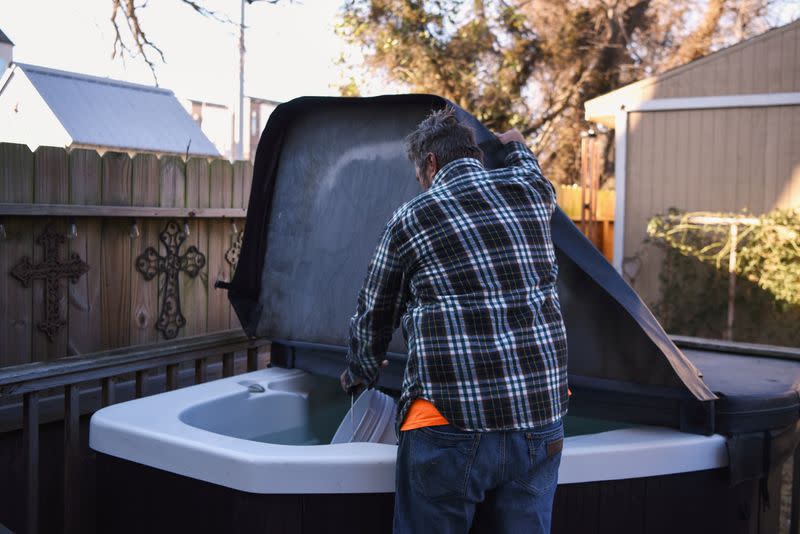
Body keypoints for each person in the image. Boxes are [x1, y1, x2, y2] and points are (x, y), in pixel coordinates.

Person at [339, 107, 568, 534]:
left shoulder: (411, 219)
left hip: (449, 423)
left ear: (430, 164)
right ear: (474, 156)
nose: (421, 184)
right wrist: (513, 140)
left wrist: (360, 371)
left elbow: (375, 315)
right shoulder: (531, 192)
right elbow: (521, 150)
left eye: (419, 175)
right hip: (539, 421)